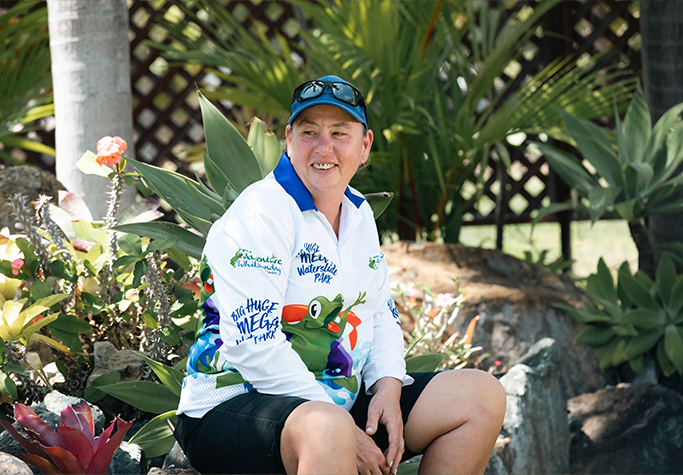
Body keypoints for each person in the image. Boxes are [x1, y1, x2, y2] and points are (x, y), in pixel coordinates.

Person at [174, 75, 506, 475]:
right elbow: (254, 346)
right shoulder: (261, 215)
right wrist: (348, 432)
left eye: (339, 133)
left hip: (333, 404)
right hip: (231, 408)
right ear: (289, 140)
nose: (323, 147)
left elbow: (379, 312)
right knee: (327, 428)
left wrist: (387, 385)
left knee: (479, 396)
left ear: (364, 146)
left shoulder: (359, 212)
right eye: (309, 132)